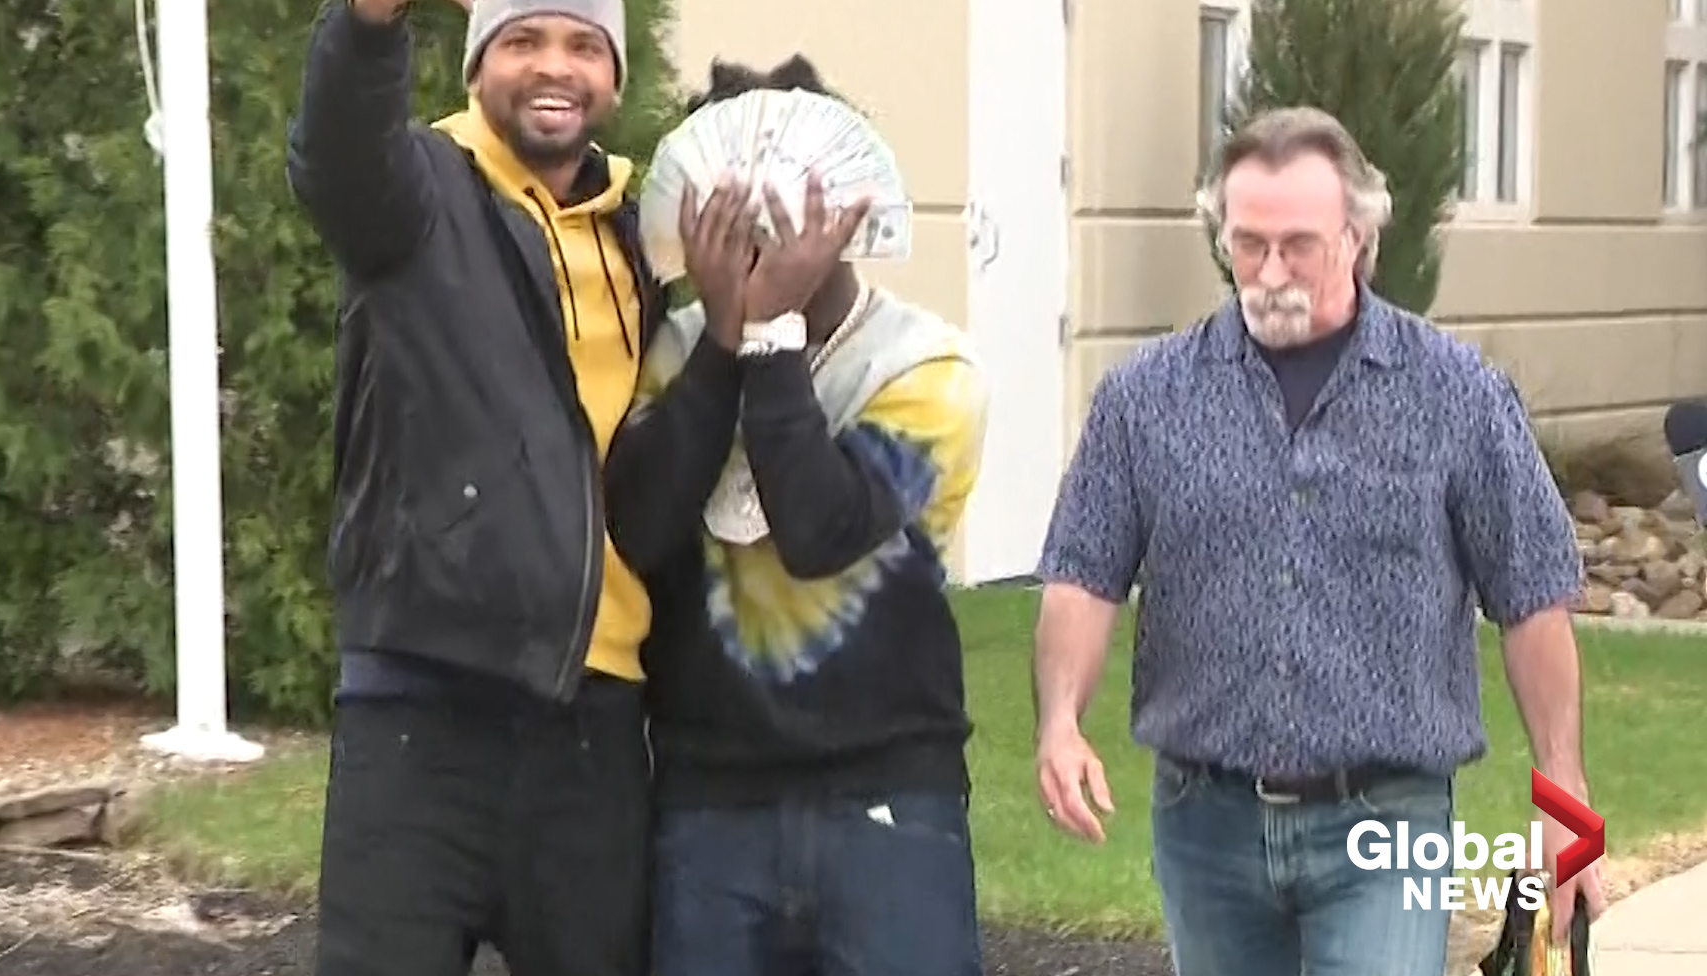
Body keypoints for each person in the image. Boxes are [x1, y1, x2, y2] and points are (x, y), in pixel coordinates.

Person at [1029, 106, 1608, 975]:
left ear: (1358, 236)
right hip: (1204, 822)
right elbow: (1082, 575)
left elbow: (1533, 597)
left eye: (1297, 245)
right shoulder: (1145, 400)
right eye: (1247, 244)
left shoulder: (1456, 396)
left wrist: (1566, 801)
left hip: (1387, 819)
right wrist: (1060, 722)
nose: (1269, 272)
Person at [286, 0, 663, 976]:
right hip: (423, 709)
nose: (555, 67)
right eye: (523, 39)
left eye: (583, 44)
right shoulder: (419, 193)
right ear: (478, 64)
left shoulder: (641, 237)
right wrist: (371, 13)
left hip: (595, 723)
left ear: (613, 77)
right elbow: (334, 158)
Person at [603, 56, 992, 976]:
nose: (764, 232)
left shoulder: (931, 370)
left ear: (848, 204)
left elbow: (821, 530)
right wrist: (725, 340)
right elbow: (642, 527)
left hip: (888, 797)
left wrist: (771, 336)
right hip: (709, 799)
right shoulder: (672, 356)